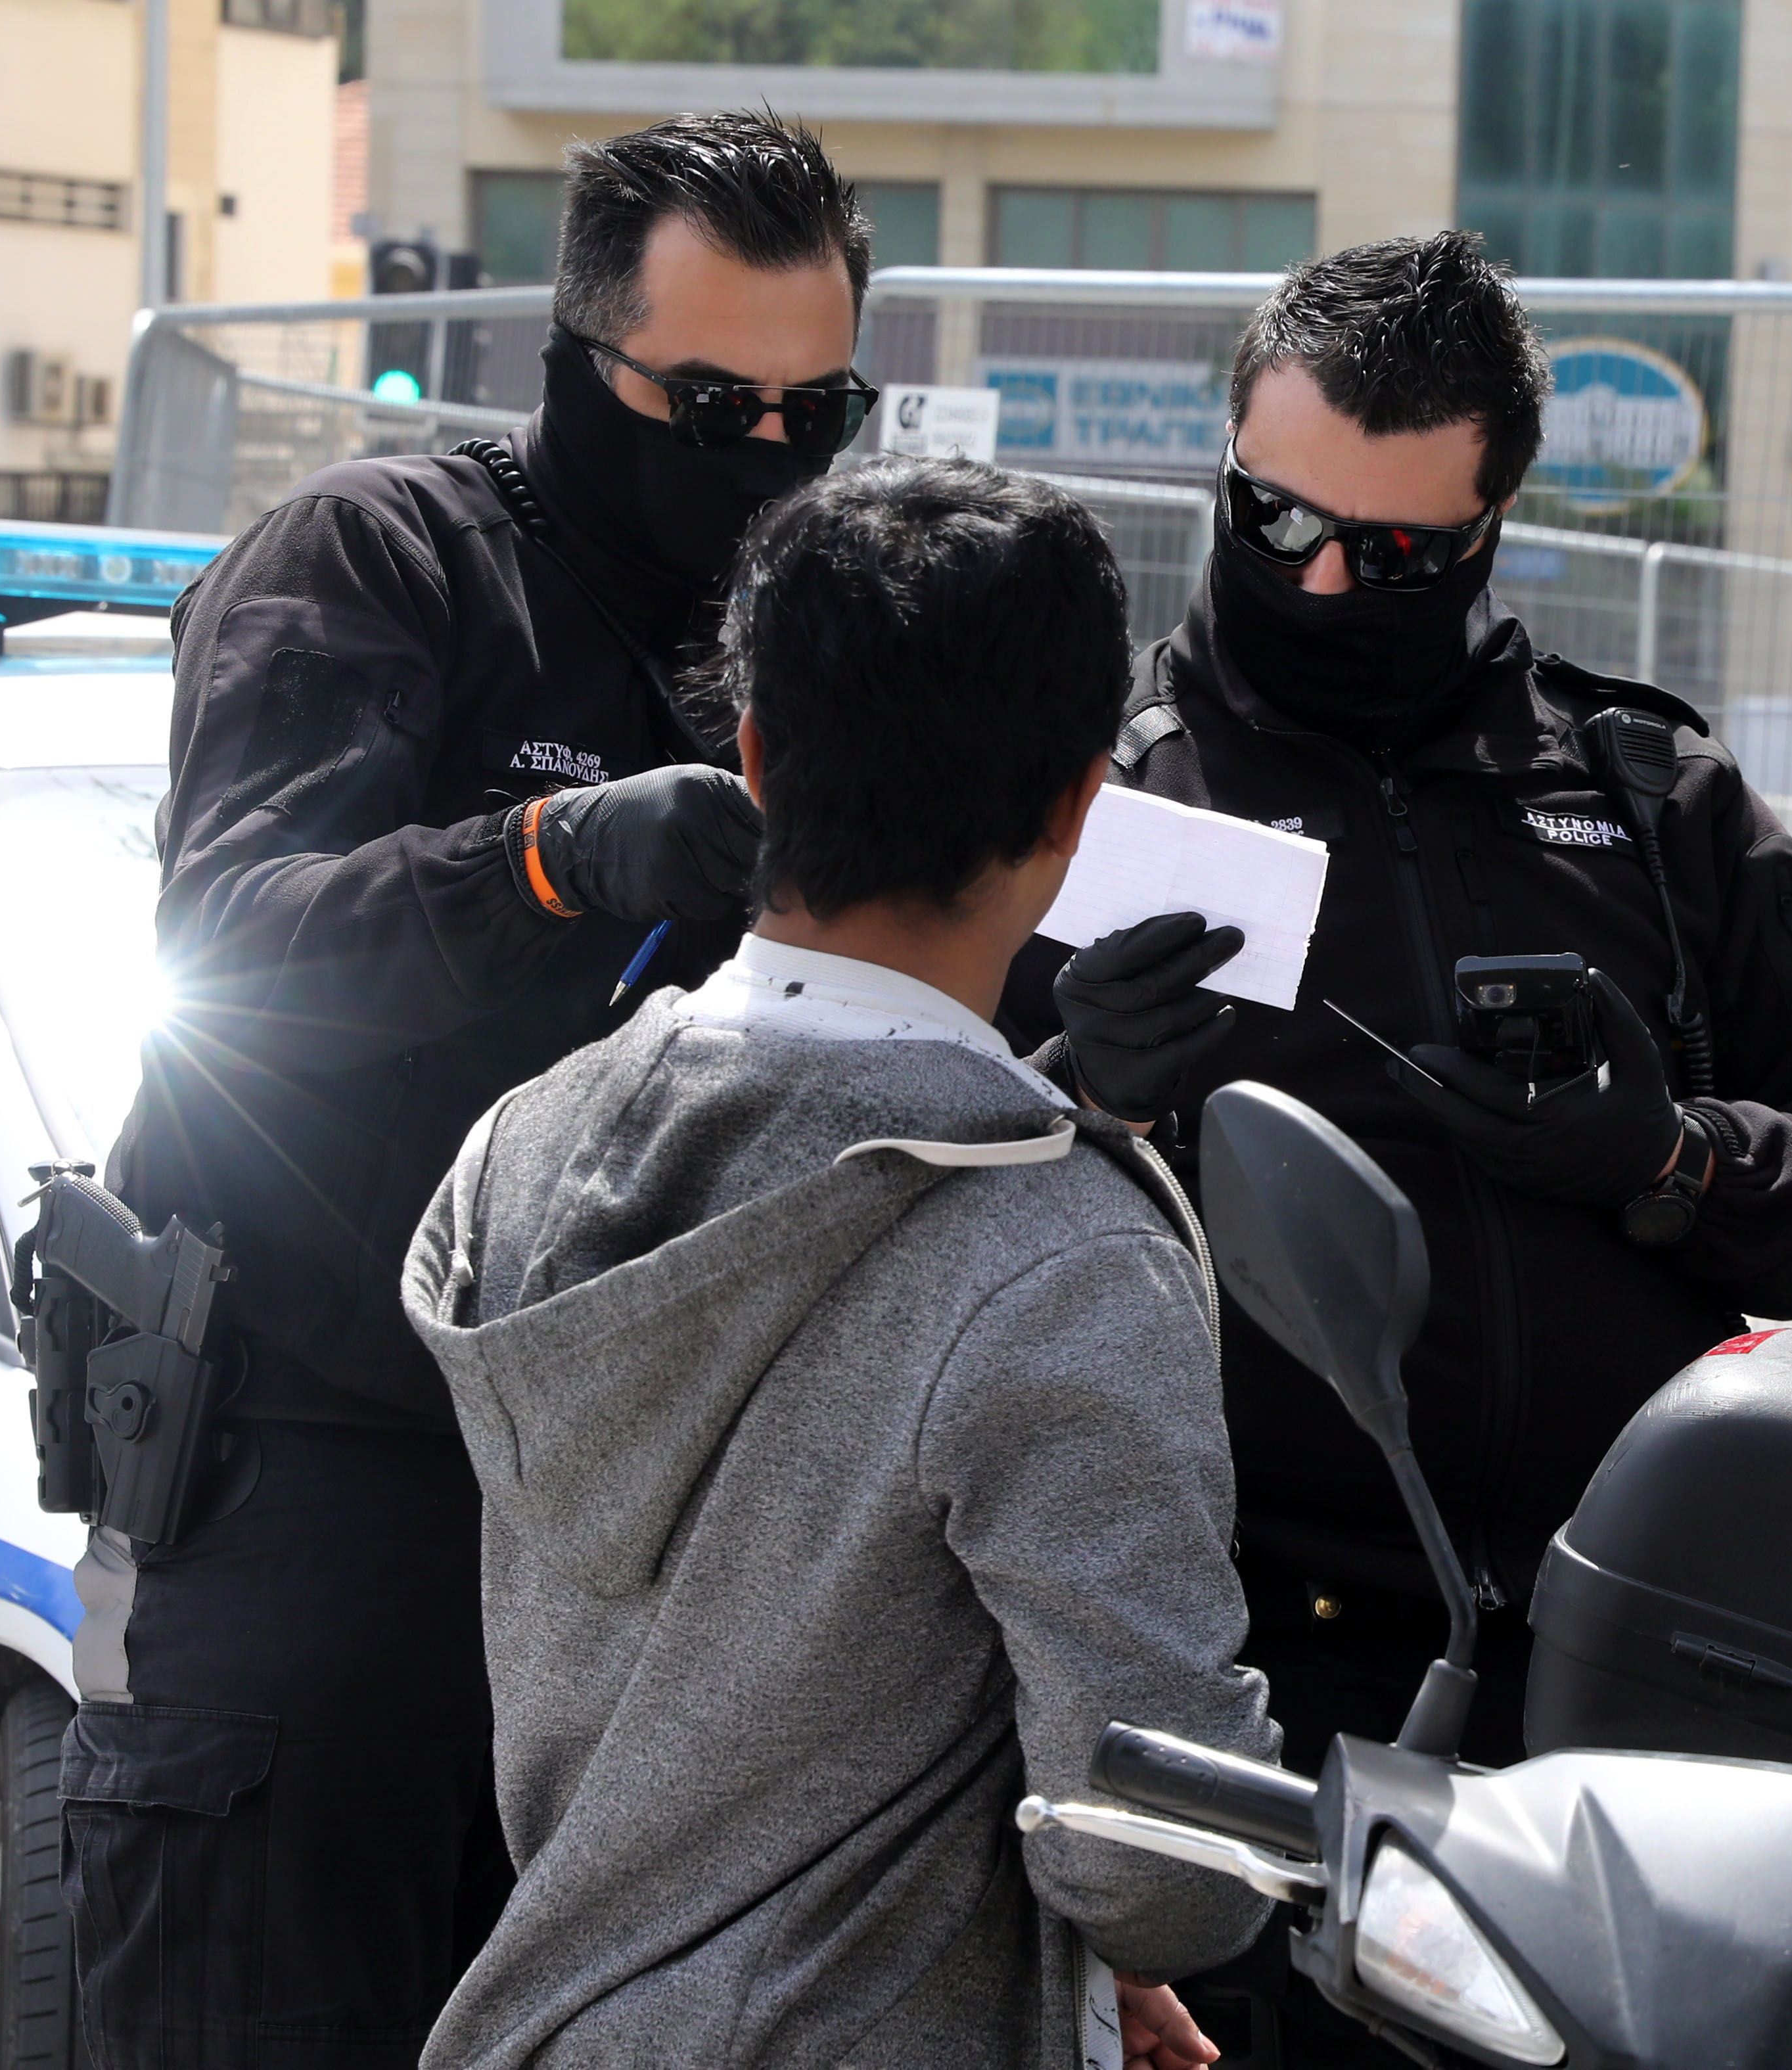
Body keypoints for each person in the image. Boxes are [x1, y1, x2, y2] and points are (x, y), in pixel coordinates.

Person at [1001, 233, 1792, 2034]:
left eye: (1389, 552)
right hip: (1234, 1683)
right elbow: (880, 1220)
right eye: (1273, 520)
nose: (1316, 579)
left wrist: (1672, 1161)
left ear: (1493, 521)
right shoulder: (1082, 800)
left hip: (1623, 1677)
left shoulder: (1646, 795)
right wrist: (1075, 1091)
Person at [63, 113, 880, 2069]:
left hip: (633, 1532)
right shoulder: (380, 558)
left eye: (814, 410)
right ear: (575, 357)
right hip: (315, 1485)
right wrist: (550, 853)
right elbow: (236, 936)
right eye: (707, 405)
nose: (763, 455)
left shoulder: (810, 642)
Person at [403, 457, 1276, 2070]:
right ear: (1081, 810)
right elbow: (1158, 1866)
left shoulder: (515, 1151)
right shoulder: (1056, 1245)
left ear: (746, 755)